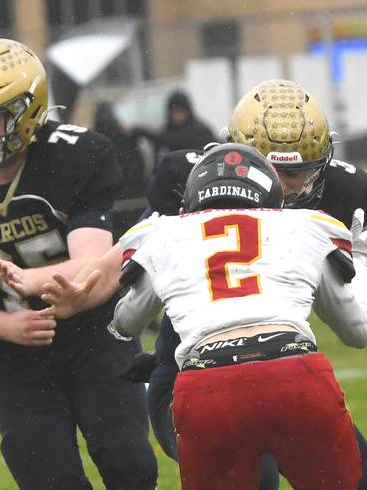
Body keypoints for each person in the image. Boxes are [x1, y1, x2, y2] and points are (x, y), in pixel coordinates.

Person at [30, 79, 367, 490]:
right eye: (272, 167)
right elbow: (125, 255)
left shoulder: (346, 190)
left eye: (299, 171)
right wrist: (83, 293)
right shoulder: (189, 177)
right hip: (192, 368)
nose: (286, 183)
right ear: (233, 152)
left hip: (282, 365)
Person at [0, 38, 157, 490]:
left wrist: (30, 279)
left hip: (94, 335)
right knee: (48, 476)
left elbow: (89, 262)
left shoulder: (74, 156)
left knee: (130, 463)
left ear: (28, 113)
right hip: (13, 355)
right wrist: (2, 327)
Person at [108, 142, 367, 489]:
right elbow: (357, 330)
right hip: (294, 375)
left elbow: (127, 322)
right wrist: (359, 259)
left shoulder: (163, 233)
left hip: (208, 384)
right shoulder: (306, 225)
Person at [93, 101, 148, 240]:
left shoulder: (93, 141)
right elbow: (139, 163)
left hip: (109, 200)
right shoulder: (126, 135)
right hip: (134, 196)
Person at [133, 90, 217, 158]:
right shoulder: (168, 130)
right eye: (174, 112)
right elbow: (160, 139)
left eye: (180, 112)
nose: (176, 116)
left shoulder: (200, 130)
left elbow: (172, 139)